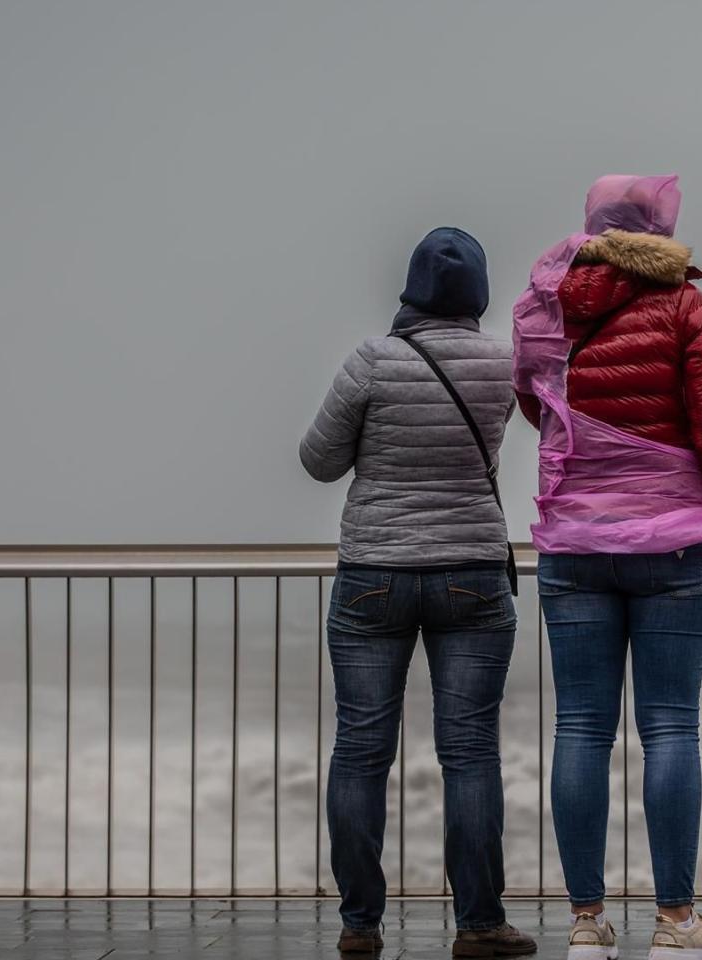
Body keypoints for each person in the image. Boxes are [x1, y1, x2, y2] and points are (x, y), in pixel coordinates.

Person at [513, 177, 702, 960]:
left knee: (581, 727)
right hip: (671, 545)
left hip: (574, 543)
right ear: (662, 232)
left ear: (594, 229)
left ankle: (586, 923)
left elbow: (538, 407)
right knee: (669, 726)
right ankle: (673, 924)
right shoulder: (685, 309)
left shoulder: (551, 304)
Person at [301, 226, 536, 958]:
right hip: (470, 567)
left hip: (374, 572)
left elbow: (318, 460)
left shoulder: (373, 360)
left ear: (411, 286)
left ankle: (359, 925)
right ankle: (478, 923)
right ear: (478, 293)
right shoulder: (503, 363)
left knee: (362, 749)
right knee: (468, 752)